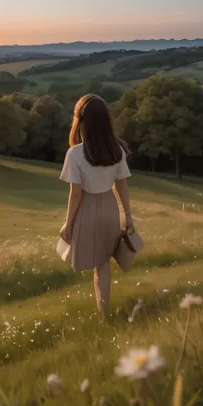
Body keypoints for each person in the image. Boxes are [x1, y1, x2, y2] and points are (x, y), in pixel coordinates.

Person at [59, 94, 134, 318]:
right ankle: (105, 312)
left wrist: (67, 223)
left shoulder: (75, 153)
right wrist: (128, 217)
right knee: (103, 264)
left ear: (81, 121)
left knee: (94, 263)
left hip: (88, 208)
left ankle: (103, 314)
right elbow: (122, 187)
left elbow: (76, 193)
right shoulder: (117, 150)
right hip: (109, 208)